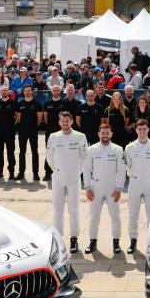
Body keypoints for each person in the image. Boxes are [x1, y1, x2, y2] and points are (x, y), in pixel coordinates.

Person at [47, 109, 88, 254]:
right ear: (59, 122)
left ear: (71, 121)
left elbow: (85, 157)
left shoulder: (80, 136)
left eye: (67, 121)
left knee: (74, 210)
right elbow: (49, 158)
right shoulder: (53, 137)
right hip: (58, 179)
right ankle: (58, 239)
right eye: (62, 121)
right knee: (57, 210)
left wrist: (77, 172)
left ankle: (74, 239)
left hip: (74, 179)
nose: (65, 123)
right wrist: (57, 170)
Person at [84, 121, 127, 255]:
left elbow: (121, 170)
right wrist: (88, 188)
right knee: (94, 217)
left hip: (112, 188)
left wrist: (119, 188)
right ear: (98, 134)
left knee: (115, 216)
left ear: (111, 134)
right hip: (96, 188)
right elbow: (86, 170)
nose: (105, 135)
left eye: (107, 133)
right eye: (103, 133)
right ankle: (92, 242)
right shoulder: (91, 150)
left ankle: (116, 242)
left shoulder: (118, 150)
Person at [123, 118, 150, 253]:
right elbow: (127, 165)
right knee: (133, 213)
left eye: (144, 129)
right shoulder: (130, 147)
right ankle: (133, 240)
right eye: (139, 129)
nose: (142, 131)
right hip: (134, 183)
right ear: (136, 130)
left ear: (148, 129)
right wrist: (134, 174)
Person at [16, 85, 42, 181]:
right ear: (24, 92)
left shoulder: (37, 104)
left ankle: (35, 173)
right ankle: (21, 173)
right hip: (22, 131)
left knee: (34, 152)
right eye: (25, 90)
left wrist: (34, 126)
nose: (27, 92)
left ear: (32, 92)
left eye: (29, 90)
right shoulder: (20, 103)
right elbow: (18, 117)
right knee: (22, 152)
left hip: (33, 131)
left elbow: (39, 118)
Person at [0, 87, 18, 180]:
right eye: (2, 90)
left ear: (8, 92)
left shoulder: (13, 103)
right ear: (0, 92)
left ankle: (11, 172)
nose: (4, 92)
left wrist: (13, 126)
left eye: (5, 90)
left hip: (10, 131)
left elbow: (17, 116)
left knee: (10, 152)